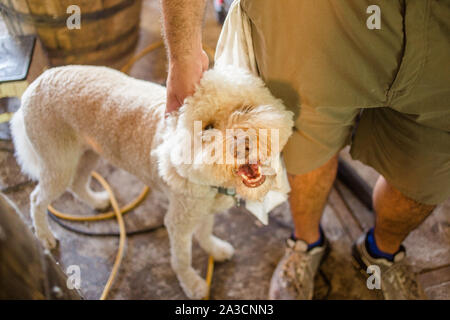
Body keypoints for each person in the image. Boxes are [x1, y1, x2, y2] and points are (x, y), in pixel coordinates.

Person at [161, 0, 450, 299]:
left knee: (425, 177)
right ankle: (306, 243)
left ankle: (381, 254)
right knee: (304, 150)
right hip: (312, 14)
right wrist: (183, 56)